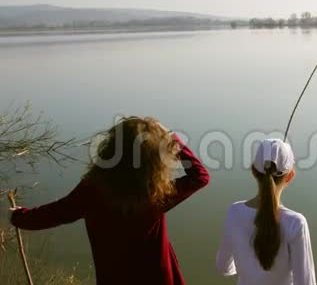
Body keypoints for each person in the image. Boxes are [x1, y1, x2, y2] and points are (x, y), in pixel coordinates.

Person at [10, 116, 210, 285]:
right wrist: (172, 140)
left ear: (111, 149)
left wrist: (20, 217)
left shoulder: (93, 189)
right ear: (154, 159)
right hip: (157, 277)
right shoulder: (155, 194)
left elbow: (57, 213)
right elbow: (200, 176)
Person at [216, 139, 316, 285]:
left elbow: (223, 267)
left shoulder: (234, 212)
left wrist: (248, 270)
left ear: (253, 172)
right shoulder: (296, 223)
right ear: (290, 176)